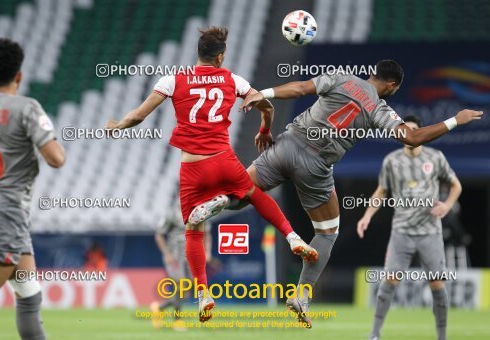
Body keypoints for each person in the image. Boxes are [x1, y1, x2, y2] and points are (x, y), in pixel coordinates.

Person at [197, 59, 482, 327]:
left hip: (288, 144)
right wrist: (455, 120)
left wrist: (263, 93)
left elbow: (300, 88)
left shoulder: (342, 77)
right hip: (316, 166)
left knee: (241, 193)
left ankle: (221, 200)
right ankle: (301, 294)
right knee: (327, 233)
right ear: (392, 86)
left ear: (372, 74)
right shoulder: (380, 109)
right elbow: (411, 137)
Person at [105, 26, 317, 322]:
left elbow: (139, 115)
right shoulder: (232, 79)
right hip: (224, 160)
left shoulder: (173, 79)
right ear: (220, 56)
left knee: (193, 227)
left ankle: (204, 293)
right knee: (253, 195)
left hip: (192, 168)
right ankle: (292, 237)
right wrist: (265, 129)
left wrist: (118, 126)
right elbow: (266, 106)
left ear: (198, 54)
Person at [0, 38, 65, 340]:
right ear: (19, 75)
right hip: (8, 208)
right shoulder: (27, 108)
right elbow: (56, 158)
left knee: (29, 297)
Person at [357, 115, 462, 340]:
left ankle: (442, 336)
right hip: (401, 232)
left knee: (437, 285)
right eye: (405, 132)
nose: (409, 136)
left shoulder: (435, 158)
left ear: (421, 134)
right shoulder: (392, 161)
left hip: (430, 232)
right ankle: (374, 334)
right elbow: (381, 191)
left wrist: (447, 206)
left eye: (414, 131)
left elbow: (456, 185)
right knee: (389, 282)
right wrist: (366, 216)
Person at [150, 201, 212, 331]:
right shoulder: (172, 212)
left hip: (191, 256)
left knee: (185, 290)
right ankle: (177, 321)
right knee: (181, 285)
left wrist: (208, 252)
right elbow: (159, 235)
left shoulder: (202, 211)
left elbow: (206, 233)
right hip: (175, 256)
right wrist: (166, 253)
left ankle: (159, 309)